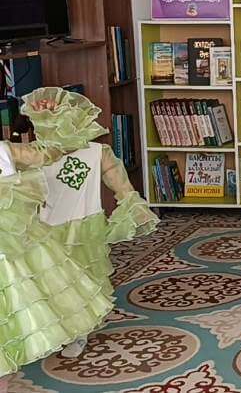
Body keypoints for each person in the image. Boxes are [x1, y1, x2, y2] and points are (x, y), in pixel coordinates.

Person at [18, 88, 159, 358]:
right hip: (45, 227)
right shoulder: (35, 155)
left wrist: (131, 203)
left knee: (83, 277)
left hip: (84, 225)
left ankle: (80, 330)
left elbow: (120, 183)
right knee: (51, 280)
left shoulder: (97, 152)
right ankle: (58, 327)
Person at [0, 153, 114, 392]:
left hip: (15, 249)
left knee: (49, 292)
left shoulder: (6, 151)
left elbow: (42, 155)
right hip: (18, 249)